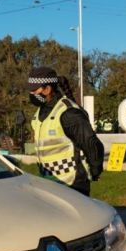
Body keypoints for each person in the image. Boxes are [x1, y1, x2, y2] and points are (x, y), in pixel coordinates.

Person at [27, 66, 104, 196]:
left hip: (73, 184)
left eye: (34, 90)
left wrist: (95, 170)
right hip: (50, 183)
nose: (31, 94)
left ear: (47, 89)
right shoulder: (39, 113)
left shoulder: (68, 113)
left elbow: (91, 143)